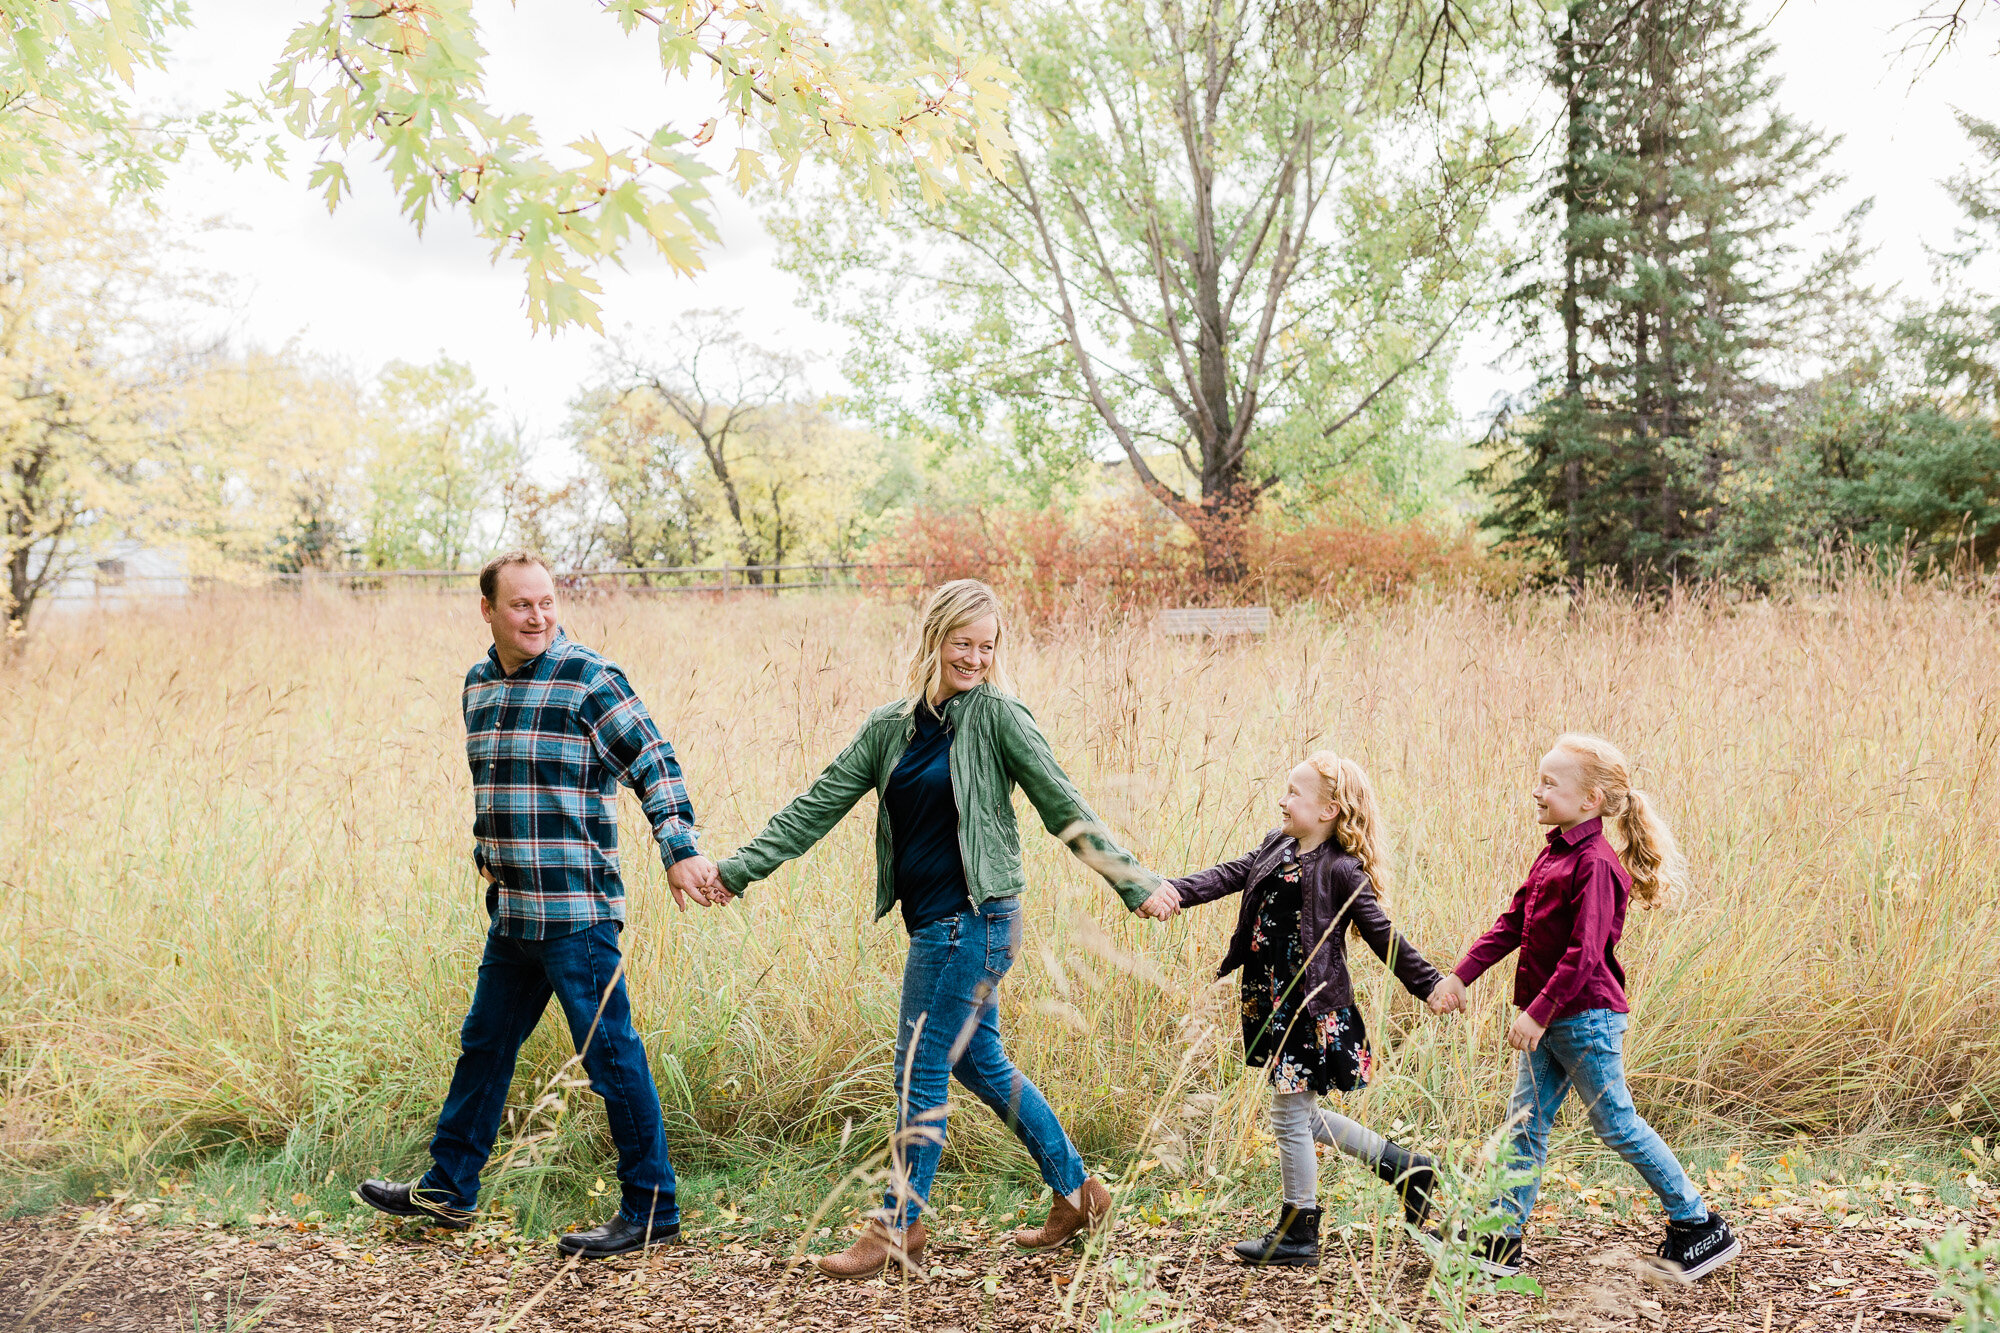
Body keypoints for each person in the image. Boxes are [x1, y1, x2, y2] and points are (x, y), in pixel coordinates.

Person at [715, 579, 1179, 1280]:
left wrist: (1134, 881)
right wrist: (736, 869)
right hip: (937, 923)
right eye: (963, 643)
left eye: (987, 646)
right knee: (976, 1061)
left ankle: (898, 1225)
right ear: (934, 639)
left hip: (974, 920)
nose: (975, 658)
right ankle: (1081, 1193)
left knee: (920, 1068)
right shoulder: (888, 729)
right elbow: (814, 807)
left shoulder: (999, 718)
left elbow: (1064, 804)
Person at [357, 551, 725, 1258]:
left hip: (578, 914)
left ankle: (652, 1207)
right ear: (487, 609)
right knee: (484, 1047)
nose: (538, 616)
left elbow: (654, 759)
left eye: (547, 602)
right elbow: (491, 787)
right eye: (522, 604)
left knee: (611, 1056)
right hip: (515, 913)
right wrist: (484, 858)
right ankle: (449, 1187)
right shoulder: (477, 686)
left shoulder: (588, 678)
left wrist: (678, 846)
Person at [1428, 733, 1740, 1282]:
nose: (1537, 791)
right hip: (1553, 1018)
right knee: (1525, 1124)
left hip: (1585, 1018)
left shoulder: (1595, 864)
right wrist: (1461, 975)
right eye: (1539, 780)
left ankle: (1699, 1224)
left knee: (1616, 1123)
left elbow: (1585, 954)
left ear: (1590, 800)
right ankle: (1499, 1240)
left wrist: (1538, 1012)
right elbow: (1512, 924)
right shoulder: (1554, 850)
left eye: (1550, 783)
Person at [1166, 751, 1445, 1268]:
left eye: (1294, 792)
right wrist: (1173, 891)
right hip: (1271, 1002)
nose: (1282, 799)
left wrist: (1429, 984)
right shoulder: (1278, 845)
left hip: (1311, 1010)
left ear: (1329, 809)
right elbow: (1230, 874)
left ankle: (1300, 1230)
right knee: (1302, 1115)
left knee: (1290, 1115)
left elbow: (1383, 935)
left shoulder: (1342, 870)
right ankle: (1407, 1169)